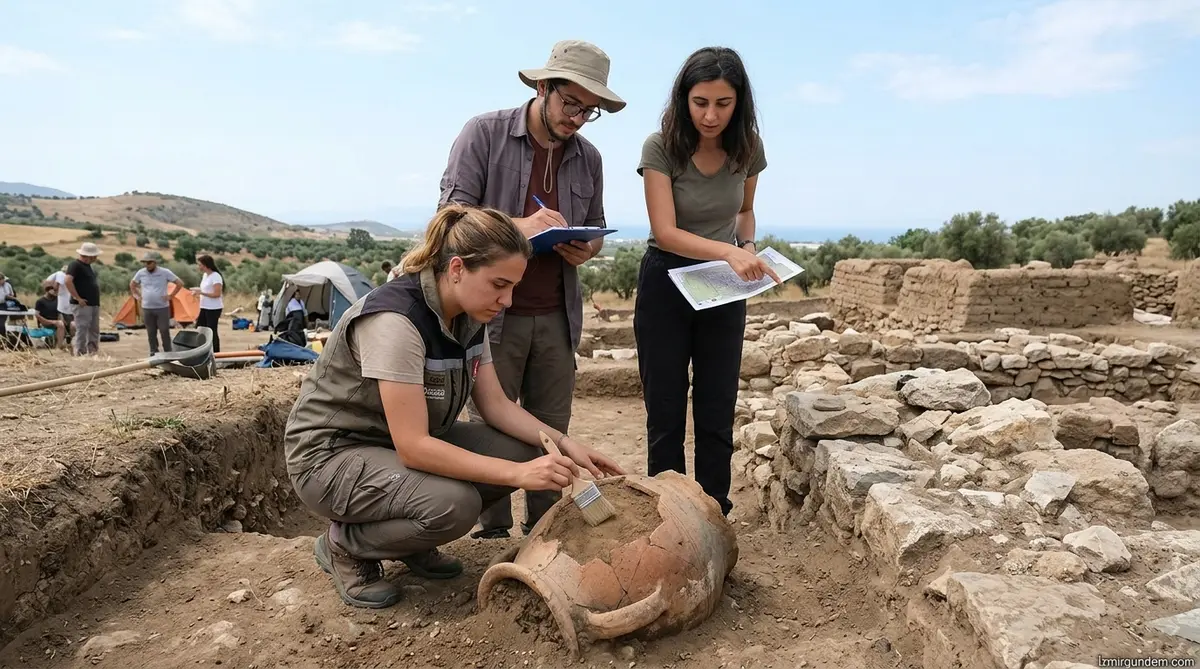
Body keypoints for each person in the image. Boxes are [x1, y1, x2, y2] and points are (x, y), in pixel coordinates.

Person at [283, 204, 625, 609]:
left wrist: (565, 444)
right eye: (499, 284)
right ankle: (345, 544)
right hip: (331, 457)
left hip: (389, 447)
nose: (507, 300)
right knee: (455, 505)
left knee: (525, 449)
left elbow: (496, 405)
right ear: (458, 268)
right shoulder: (396, 322)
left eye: (513, 287)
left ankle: (409, 541)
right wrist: (518, 474)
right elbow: (414, 447)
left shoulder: (468, 315)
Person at [438, 39, 625, 539]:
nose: (578, 119)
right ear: (543, 87)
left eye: (590, 111)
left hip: (558, 315)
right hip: (491, 316)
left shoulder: (589, 158)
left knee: (552, 424)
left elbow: (596, 226)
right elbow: (450, 220)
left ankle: (546, 530)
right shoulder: (484, 134)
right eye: (571, 104)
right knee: (492, 423)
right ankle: (492, 529)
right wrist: (520, 226)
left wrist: (587, 248)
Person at [634, 46, 778, 518]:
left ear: (740, 103)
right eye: (700, 103)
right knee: (666, 408)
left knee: (717, 406)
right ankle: (670, 516)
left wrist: (747, 246)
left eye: (723, 103)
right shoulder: (660, 146)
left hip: (722, 285)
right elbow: (665, 231)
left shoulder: (748, 147)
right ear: (684, 99)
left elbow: (745, 211)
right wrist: (730, 251)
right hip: (666, 281)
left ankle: (715, 514)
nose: (711, 115)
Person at [130, 251, 186, 354]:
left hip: (162, 307)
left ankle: (168, 352)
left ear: (155, 262)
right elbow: (132, 284)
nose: (147, 265)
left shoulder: (165, 272)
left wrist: (171, 296)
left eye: (149, 263)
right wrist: (137, 296)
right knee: (151, 332)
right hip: (147, 307)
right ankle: (154, 352)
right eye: (145, 263)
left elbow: (179, 283)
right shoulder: (141, 273)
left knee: (164, 330)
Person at [65, 242, 103, 356]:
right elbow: (68, 280)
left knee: (93, 329)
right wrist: (77, 298)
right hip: (83, 304)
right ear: (88, 256)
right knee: (82, 328)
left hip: (92, 303)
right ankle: (80, 352)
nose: (96, 258)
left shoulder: (88, 267)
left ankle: (92, 352)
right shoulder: (75, 265)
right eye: (94, 256)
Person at [191, 255, 224, 353]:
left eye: (200, 265)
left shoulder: (216, 276)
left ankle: (216, 352)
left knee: (211, 331)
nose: (199, 267)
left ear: (205, 265)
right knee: (200, 329)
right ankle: (203, 351)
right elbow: (206, 289)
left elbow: (217, 294)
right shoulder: (205, 276)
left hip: (213, 308)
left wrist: (201, 293)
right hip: (204, 306)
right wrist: (197, 291)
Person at [34, 281, 67, 349]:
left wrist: (62, 320)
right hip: (46, 322)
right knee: (60, 324)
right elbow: (37, 315)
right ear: (48, 290)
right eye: (54, 290)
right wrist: (49, 321)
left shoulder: (57, 300)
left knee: (64, 323)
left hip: (56, 322)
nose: (56, 292)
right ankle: (59, 347)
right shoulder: (40, 301)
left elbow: (59, 313)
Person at [45, 265, 75, 341]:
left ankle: (64, 339)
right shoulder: (70, 277)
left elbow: (56, 285)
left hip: (63, 304)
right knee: (70, 323)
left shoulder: (60, 274)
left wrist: (54, 291)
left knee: (64, 322)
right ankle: (70, 338)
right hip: (70, 303)